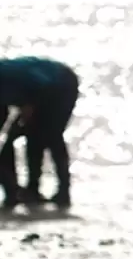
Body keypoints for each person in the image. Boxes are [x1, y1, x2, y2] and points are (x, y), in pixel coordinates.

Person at [0, 56, 80, 208]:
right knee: (26, 138)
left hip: (60, 84)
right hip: (37, 91)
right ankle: (31, 191)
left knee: (50, 135)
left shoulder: (5, 74)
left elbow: (41, 82)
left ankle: (63, 191)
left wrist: (29, 107)